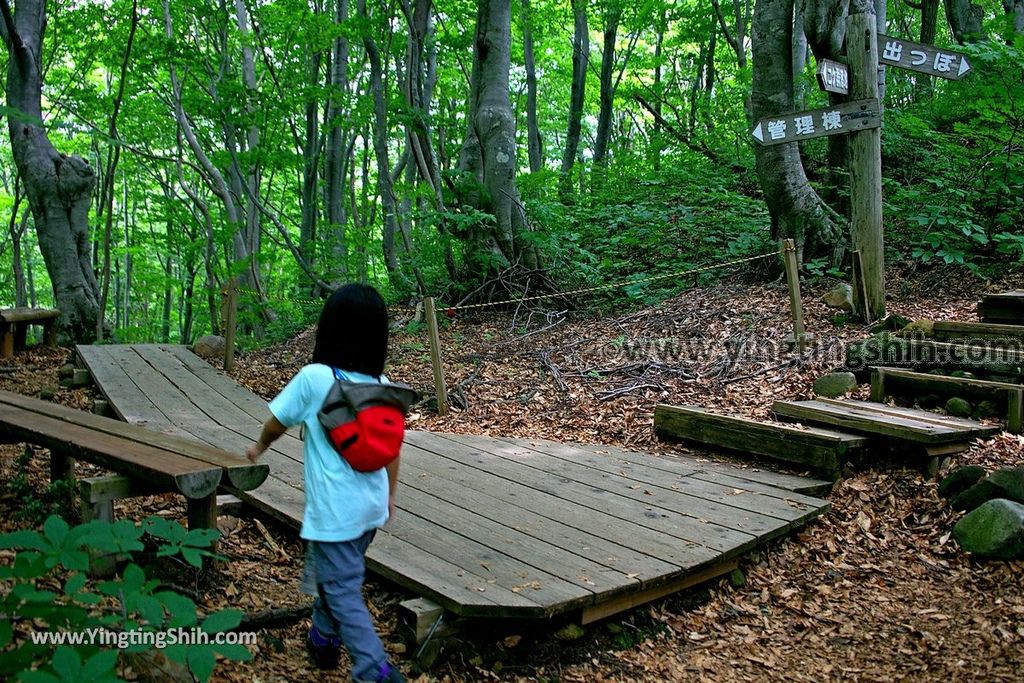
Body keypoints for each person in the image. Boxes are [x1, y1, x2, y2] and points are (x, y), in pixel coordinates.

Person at [247, 284, 405, 683]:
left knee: (341, 589)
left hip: (336, 512)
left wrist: (258, 447)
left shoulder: (315, 378)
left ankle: (374, 669)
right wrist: (389, 496)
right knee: (334, 574)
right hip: (369, 508)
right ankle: (322, 637)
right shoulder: (381, 382)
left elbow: (277, 422)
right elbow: (393, 449)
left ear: (328, 328)